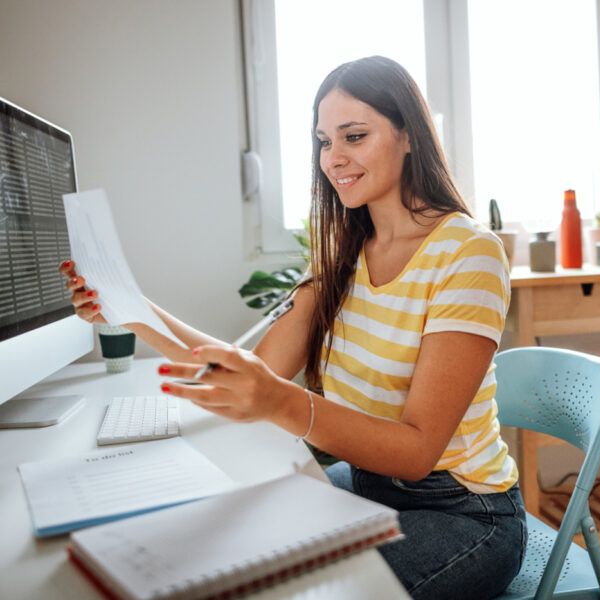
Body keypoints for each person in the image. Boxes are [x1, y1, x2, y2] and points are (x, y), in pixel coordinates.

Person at [60, 55, 526, 599]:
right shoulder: (341, 254)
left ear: (408, 136)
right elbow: (248, 372)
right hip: (369, 488)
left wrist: (278, 402)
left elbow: (416, 452)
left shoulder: (468, 253)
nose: (335, 158)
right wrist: (130, 306)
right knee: (220, 550)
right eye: (324, 142)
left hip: (464, 514)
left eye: (354, 136)